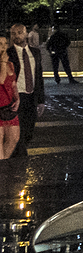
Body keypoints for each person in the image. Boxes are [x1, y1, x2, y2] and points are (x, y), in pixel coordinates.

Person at [7, 21, 45, 154]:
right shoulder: (8, 54)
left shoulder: (35, 53)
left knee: (29, 131)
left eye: (19, 33)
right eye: (13, 34)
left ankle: (20, 152)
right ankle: (20, 160)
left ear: (26, 34)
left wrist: (41, 101)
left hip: (32, 96)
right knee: (18, 133)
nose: (16, 36)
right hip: (16, 97)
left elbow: (39, 77)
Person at [0, 33, 18, 161]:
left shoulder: (10, 64)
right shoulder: (4, 62)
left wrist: (17, 98)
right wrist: (2, 62)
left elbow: (13, 83)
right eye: (0, 44)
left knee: (14, 139)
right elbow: (1, 80)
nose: (3, 47)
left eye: (5, 43)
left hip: (8, 107)